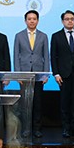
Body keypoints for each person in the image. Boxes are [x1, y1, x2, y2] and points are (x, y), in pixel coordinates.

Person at [50, 10, 74, 139]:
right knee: (65, 103)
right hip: (63, 74)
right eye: (67, 19)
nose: (70, 21)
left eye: (72, 19)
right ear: (62, 21)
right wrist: (56, 73)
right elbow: (53, 56)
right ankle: (66, 128)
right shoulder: (56, 36)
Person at [13, 10, 49, 141]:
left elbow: (46, 55)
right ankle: (26, 129)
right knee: (25, 104)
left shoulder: (43, 36)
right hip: (24, 74)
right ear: (25, 21)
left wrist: (46, 75)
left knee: (38, 103)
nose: (32, 21)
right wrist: (18, 75)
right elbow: (16, 55)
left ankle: (37, 129)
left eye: (34, 19)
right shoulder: (19, 36)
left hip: (38, 75)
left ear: (37, 21)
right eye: (29, 19)